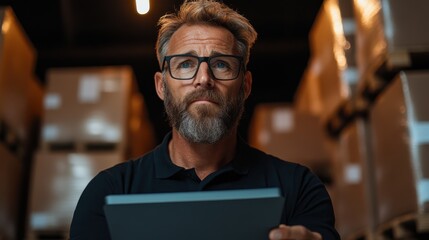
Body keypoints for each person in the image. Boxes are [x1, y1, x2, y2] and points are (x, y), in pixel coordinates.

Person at [70, 0, 340, 239]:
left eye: (221, 64)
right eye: (185, 64)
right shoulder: (109, 192)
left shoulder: (298, 188)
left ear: (245, 86)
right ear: (161, 86)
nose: (203, 79)